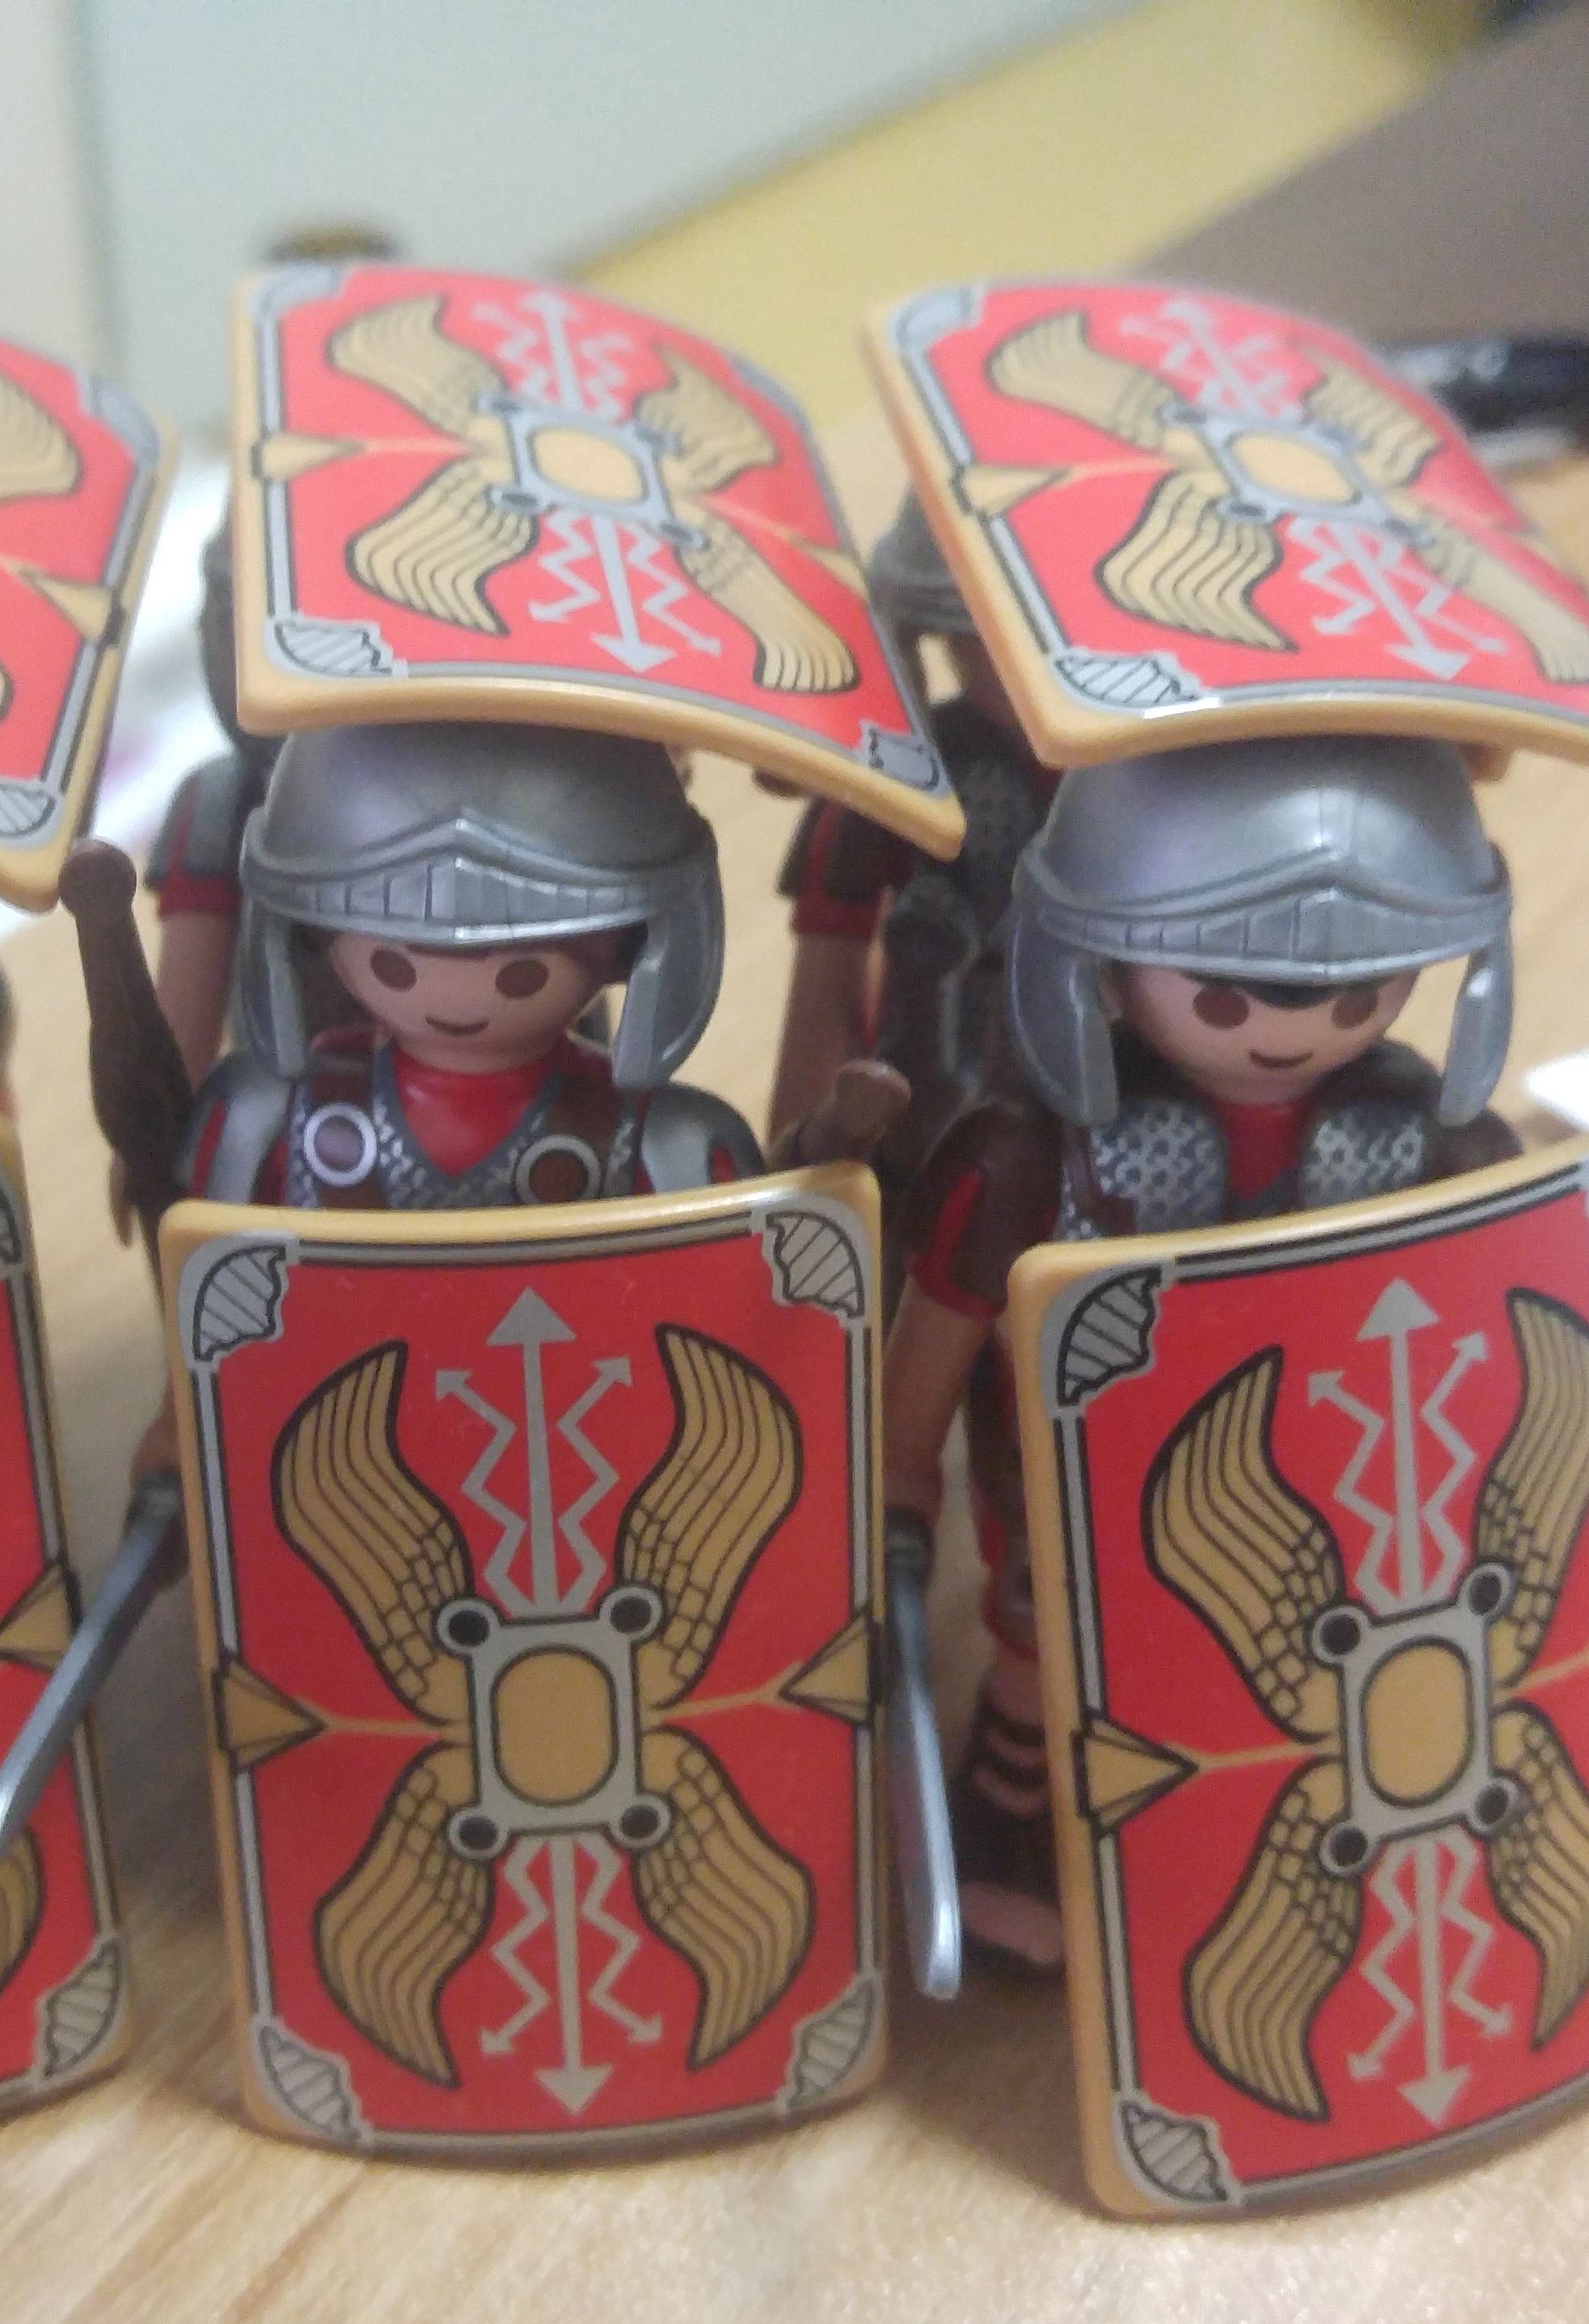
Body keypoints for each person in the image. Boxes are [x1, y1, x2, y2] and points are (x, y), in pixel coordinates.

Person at [880, 732, 1521, 1965]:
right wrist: (899, 1483)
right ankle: (1021, 1838)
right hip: (1080, 1511)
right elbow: (930, 1360)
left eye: (1354, 992)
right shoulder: (1032, 1169)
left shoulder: (1435, 1153)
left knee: (1306, 1690)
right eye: (1224, 994)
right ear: (1102, 957)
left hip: (1339, 1504)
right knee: (1048, 1668)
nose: (1293, 1028)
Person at [183, 718, 758, 1209]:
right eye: (395, 967)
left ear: (630, 946)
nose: (453, 996)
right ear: (307, 935)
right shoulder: (266, 1120)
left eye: (520, 976)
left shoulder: (669, 1145)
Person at [767, 498, 1059, 1153]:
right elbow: (824, 992)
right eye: (982, 642)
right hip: (926, 1094)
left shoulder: (1142, 790)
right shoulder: (895, 788)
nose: (1018, 668)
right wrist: (806, 1158)